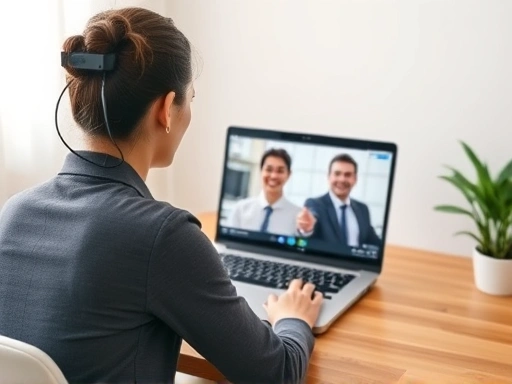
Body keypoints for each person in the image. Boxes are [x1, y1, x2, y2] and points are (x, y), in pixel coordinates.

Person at [0, 8, 322, 384]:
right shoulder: (163, 236)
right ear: (167, 110)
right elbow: (276, 373)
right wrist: (294, 319)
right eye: (191, 98)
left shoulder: (14, 211)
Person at [296, 154, 381, 249]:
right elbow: (311, 225)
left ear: (355, 179)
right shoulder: (315, 204)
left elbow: (374, 241)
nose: (342, 179)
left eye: (348, 175)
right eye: (337, 174)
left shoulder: (362, 209)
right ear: (329, 177)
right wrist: (307, 229)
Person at [227, 148, 301, 236]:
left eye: (280, 171)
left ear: (288, 174)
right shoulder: (240, 210)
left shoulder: (298, 216)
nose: (273, 176)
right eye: (269, 170)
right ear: (261, 171)